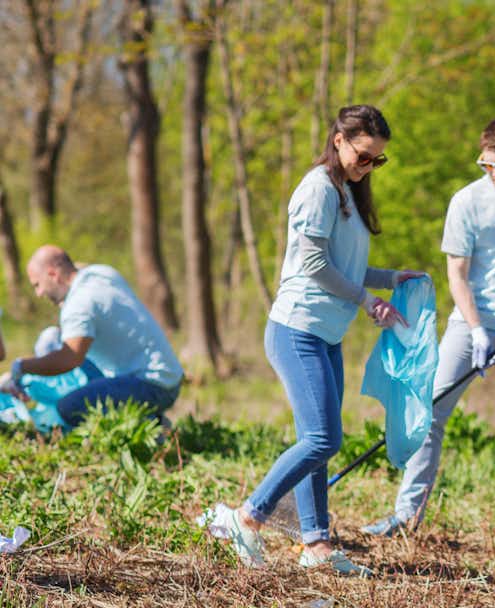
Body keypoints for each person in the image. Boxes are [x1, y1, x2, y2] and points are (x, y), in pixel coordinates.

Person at [206, 104, 424, 576]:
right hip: (297, 329)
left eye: (377, 161)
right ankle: (246, 518)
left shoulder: (347, 192)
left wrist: (391, 278)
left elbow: (344, 267)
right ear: (340, 140)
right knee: (324, 439)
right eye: (364, 156)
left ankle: (316, 545)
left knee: (316, 438)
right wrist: (369, 301)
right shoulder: (318, 189)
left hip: (327, 334)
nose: (368, 167)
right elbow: (312, 266)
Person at [361, 117, 495, 555]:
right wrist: (477, 330)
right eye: (486, 165)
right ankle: (405, 515)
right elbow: (458, 273)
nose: (494, 174)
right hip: (472, 325)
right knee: (428, 415)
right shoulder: (467, 201)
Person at [0, 246, 183, 428]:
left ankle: (151, 424)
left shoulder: (79, 303)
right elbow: (76, 267)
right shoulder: (101, 273)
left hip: (152, 385)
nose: (39, 294)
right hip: (168, 375)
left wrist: (21, 367)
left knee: (70, 407)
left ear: (53, 274)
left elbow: (69, 359)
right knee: (52, 340)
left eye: (37, 285)